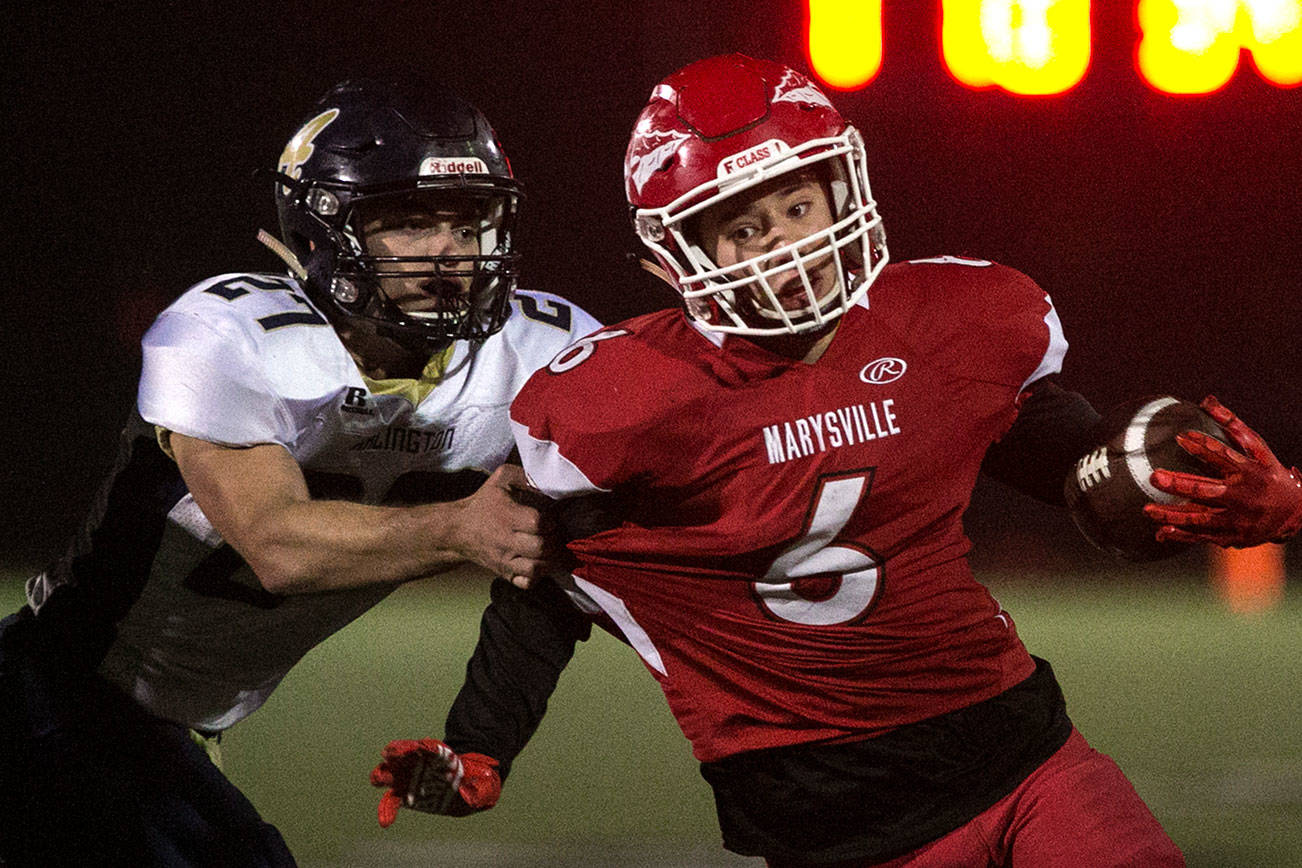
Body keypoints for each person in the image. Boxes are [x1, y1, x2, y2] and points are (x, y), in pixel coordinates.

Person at [369, 56, 1302, 866]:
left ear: (842, 188)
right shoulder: (621, 405)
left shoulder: (951, 322)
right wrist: (480, 743)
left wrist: (1237, 501)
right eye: (745, 228)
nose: (787, 244)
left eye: (798, 204)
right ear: (675, 254)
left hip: (1022, 755)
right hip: (830, 828)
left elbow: (1060, 456)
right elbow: (545, 584)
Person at [0, 78, 599, 867]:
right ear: (325, 228)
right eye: (411, 221)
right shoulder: (229, 334)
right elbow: (277, 544)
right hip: (48, 699)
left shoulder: (541, 354)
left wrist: (481, 742)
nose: (450, 252)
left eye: (469, 220)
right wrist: (459, 527)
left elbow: (545, 567)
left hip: (164, 731)